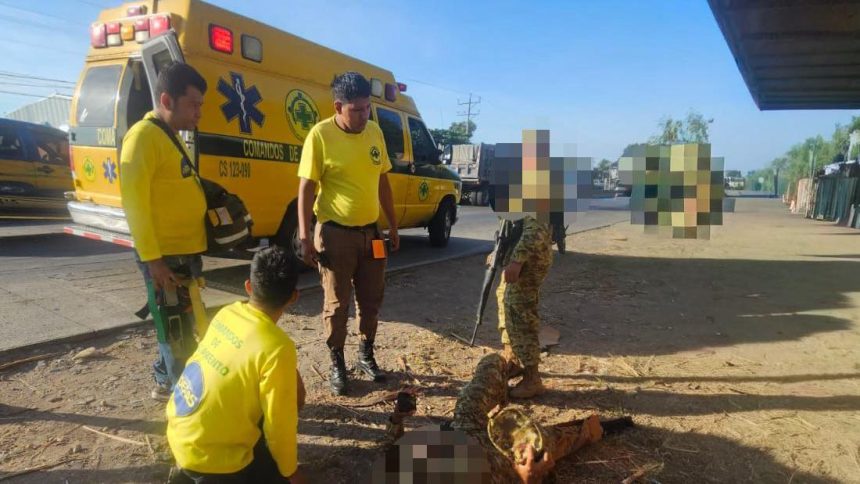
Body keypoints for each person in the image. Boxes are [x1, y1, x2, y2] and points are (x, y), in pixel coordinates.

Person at [374, 353, 631, 483]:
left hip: (460, 431)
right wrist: (525, 479)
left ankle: (509, 364)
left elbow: (388, 452)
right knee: (549, 441)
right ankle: (597, 429)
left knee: (485, 374)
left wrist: (398, 418)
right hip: (496, 463)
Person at [297, 71, 400, 396]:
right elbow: (306, 189)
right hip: (335, 234)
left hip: (371, 233)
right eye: (356, 109)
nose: (363, 115)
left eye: (367, 108)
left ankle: (365, 353)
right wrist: (305, 236)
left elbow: (383, 179)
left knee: (372, 299)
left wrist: (393, 224)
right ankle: (336, 361)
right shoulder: (320, 135)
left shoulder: (373, 132)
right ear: (338, 106)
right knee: (338, 304)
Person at [166, 247, 307, 484]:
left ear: (248, 287)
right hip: (215, 464)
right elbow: (279, 427)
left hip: (181, 437)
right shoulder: (277, 347)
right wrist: (291, 473)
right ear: (294, 297)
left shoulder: (227, 313)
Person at [119, 61, 208, 401]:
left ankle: (164, 377)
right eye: (194, 104)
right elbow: (135, 205)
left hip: (183, 253)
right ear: (167, 100)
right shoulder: (142, 138)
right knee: (176, 332)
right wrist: (154, 261)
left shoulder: (169, 136)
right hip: (165, 258)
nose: (199, 112)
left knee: (181, 324)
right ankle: (180, 399)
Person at [496, 216, 554, 398]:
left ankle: (532, 379)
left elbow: (535, 229)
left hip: (530, 260)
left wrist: (517, 261)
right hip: (525, 256)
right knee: (504, 298)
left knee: (519, 314)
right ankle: (513, 358)